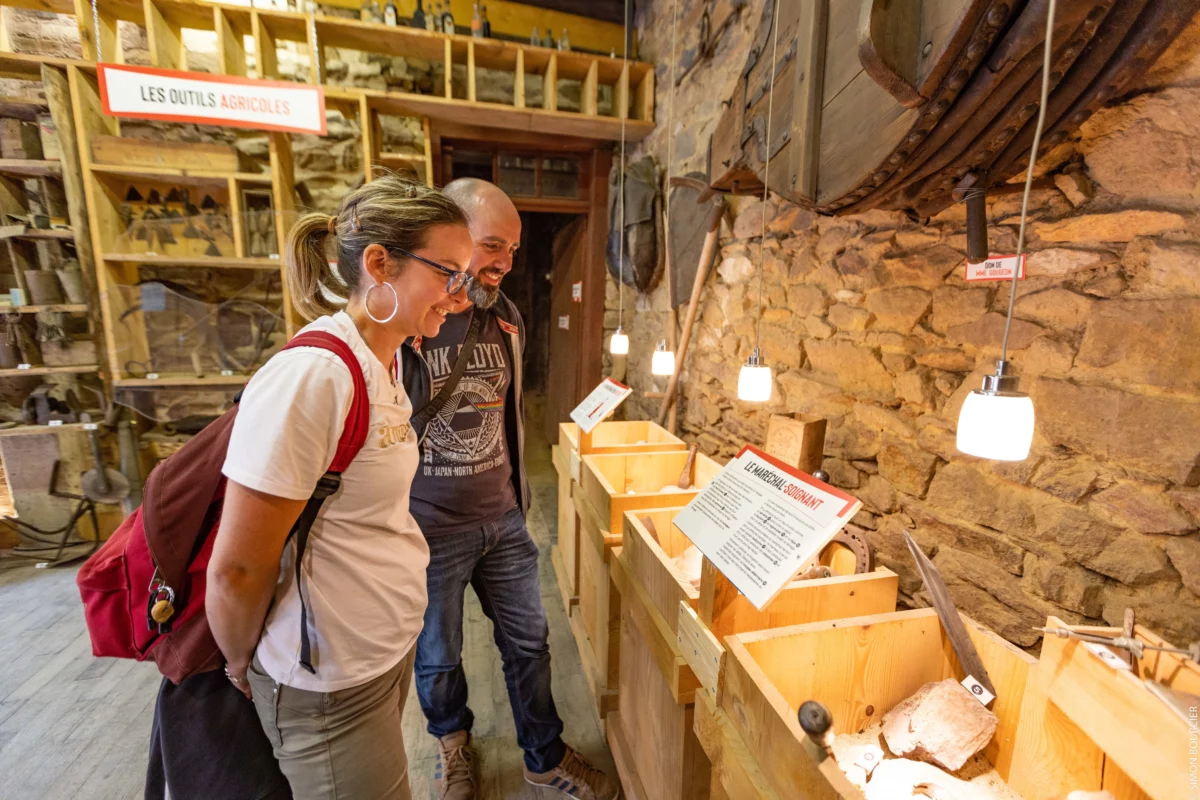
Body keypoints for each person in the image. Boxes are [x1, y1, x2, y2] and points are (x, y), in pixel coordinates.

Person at [205, 176, 473, 800]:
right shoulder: (314, 377)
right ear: (379, 264)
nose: (459, 296)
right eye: (447, 274)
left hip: (376, 653)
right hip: (326, 679)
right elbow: (238, 567)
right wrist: (239, 661)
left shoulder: (388, 360)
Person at [401, 178, 620, 800]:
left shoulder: (506, 318)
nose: (505, 263)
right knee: (438, 656)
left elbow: (509, 413)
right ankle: (452, 744)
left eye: (514, 250)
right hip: (428, 529)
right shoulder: (412, 322)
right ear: (452, 237)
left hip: (503, 521)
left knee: (530, 645)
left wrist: (519, 501)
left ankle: (543, 758)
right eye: (492, 245)